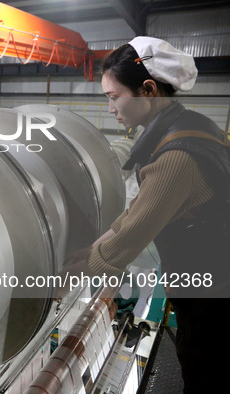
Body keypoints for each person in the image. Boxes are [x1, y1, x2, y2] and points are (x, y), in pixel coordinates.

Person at [59, 36, 230, 392]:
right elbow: (135, 214)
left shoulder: (176, 158)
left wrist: (60, 277)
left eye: (113, 96)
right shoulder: (190, 128)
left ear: (148, 90)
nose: (110, 108)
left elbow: (131, 237)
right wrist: (87, 252)